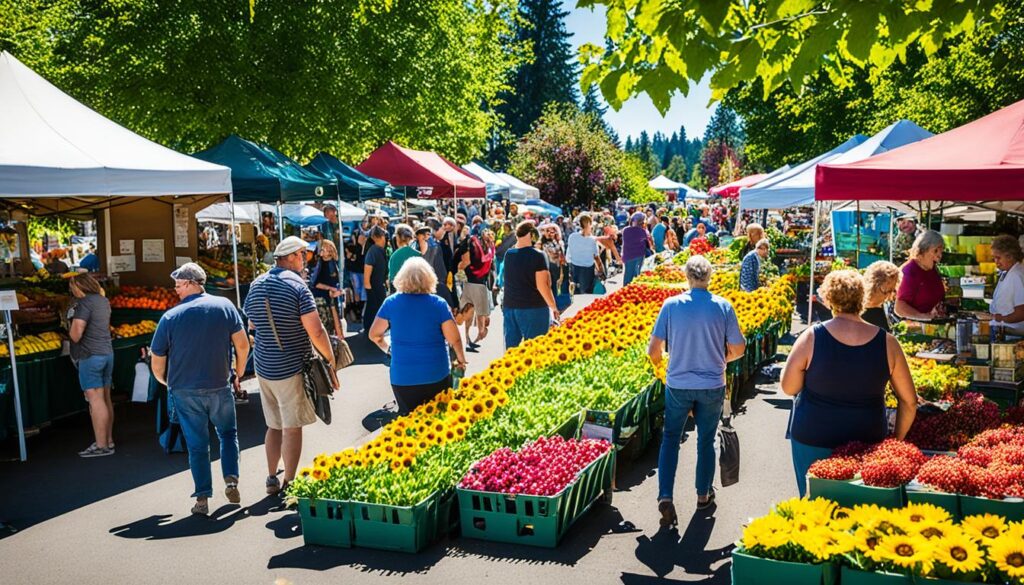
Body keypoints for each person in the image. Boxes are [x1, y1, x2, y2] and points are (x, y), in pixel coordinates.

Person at [781, 270, 917, 497]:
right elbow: (909, 401)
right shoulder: (887, 342)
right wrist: (897, 440)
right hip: (867, 439)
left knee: (813, 509)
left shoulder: (811, 337)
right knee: (861, 511)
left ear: (828, 299)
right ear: (862, 298)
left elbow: (789, 388)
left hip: (813, 437)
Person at [648, 256, 746, 526]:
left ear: (687, 277)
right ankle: (703, 495)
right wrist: (720, 359)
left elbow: (653, 351)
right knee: (706, 440)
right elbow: (739, 348)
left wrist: (665, 365)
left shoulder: (671, 305)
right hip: (712, 383)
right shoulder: (723, 306)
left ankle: (665, 495)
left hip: (678, 383)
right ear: (709, 277)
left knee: (670, 438)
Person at [150, 263, 250, 516]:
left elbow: (157, 358)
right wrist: (238, 373)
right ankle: (231, 479)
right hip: (219, 383)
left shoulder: (170, 317)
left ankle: (202, 499)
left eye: (179, 285)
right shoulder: (225, 306)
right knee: (228, 434)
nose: (176, 290)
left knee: (197, 446)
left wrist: (165, 381)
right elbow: (243, 345)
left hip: (184, 389)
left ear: (191, 283)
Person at [244, 236, 339, 496]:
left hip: (264, 366)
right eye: (303, 254)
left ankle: (271, 477)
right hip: (290, 365)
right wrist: (330, 360)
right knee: (291, 427)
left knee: (273, 425)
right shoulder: (298, 287)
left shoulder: (256, 284)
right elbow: (316, 331)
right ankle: (289, 481)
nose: (305, 259)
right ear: (293, 257)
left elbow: (252, 325)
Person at [368, 258, 469, 414]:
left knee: (410, 425)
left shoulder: (391, 303)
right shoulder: (439, 304)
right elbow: (454, 339)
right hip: (436, 374)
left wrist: (388, 350)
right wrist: (461, 360)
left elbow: (375, 335)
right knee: (439, 422)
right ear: (430, 278)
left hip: (403, 378)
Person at [68, 273, 115, 458]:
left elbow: (76, 333)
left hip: (90, 355)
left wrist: (70, 326)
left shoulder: (84, 304)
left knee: (95, 400)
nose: (72, 290)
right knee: (105, 398)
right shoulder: (103, 301)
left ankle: (101, 445)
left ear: (80, 287)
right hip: (107, 352)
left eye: (73, 287)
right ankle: (108, 440)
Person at [502, 221, 560, 348]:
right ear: (531, 235)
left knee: (511, 351)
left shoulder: (509, 254)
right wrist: (553, 306)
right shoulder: (538, 255)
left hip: (510, 306)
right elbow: (543, 285)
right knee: (535, 349)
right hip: (533, 307)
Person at [894, 230, 946, 320]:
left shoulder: (931, 269)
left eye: (941, 251)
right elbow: (899, 308)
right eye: (936, 251)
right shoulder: (909, 272)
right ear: (923, 250)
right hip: (914, 327)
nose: (939, 256)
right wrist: (923, 317)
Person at [459, 229, 495, 348]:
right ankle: (472, 336)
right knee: (476, 312)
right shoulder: (486, 250)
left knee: (470, 313)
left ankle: (470, 338)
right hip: (477, 284)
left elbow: (464, 263)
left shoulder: (481, 248)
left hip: (473, 283)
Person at [988, 235, 1024, 335]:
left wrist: (1000, 318)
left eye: (998, 258)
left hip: (1013, 334)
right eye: (994, 258)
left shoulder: (1016, 275)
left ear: (1010, 256)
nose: (996, 262)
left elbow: (1021, 312)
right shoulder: (1007, 273)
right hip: (1005, 331)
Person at [310, 239, 344, 337]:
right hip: (323, 299)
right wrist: (332, 289)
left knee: (335, 324)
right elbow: (315, 283)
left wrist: (337, 290)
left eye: (329, 250)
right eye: (325, 249)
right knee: (327, 326)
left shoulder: (332, 262)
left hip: (331, 297)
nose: (328, 251)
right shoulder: (320, 263)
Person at [566, 214, 607, 294]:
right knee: (587, 294)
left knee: (575, 293)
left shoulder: (572, 237)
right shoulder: (592, 240)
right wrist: (602, 272)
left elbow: (570, 253)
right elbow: (597, 258)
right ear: (589, 224)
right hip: (588, 271)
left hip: (574, 268)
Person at [862, 261, 901, 332]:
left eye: (893, 291)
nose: (889, 297)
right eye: (887, 291)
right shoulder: (853, 308)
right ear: (873, 285)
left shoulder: (885, 307)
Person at [363, 226, 389, 330]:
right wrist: (369, 291)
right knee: (372, 309)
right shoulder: (373, 251)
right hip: (374, 287)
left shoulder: (380, 250)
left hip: (379, 286)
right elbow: (367, 274)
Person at [621, 212, 651, 286]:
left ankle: (625, 291)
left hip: (627, 256)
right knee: (636, 276)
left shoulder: (625, 230)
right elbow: (650, 244)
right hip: (638, 255)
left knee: (628, 275)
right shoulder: (643, 231)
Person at [344, 231, 367, 325]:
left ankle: (359, 310)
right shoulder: (357, 248)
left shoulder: (360, 248)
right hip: (357, 273)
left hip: (359, 272)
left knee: (359, 290)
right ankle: (359, 310)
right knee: (358, 290)